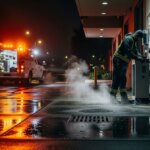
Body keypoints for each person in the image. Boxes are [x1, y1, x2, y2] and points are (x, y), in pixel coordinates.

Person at [110, 30, 145, 104]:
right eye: (139, 38)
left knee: (123, 79)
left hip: (122, 62)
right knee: (117, 78)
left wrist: (140, 56)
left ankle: (124, 98)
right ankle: (112, 98)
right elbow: (128, 52)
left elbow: (136, 51)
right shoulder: (129, 39)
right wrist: (138, 58)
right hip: (118, 60)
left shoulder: (133, 42)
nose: (139, 40)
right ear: (137, 35)